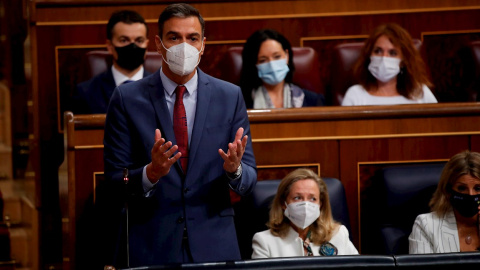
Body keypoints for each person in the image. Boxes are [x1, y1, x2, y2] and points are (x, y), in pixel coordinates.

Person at [103, 3, 257, 267]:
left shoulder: (229, 96)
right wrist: (150, 173)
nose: (183, 45)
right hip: (152, 243)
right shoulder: (127, 99)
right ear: (158, 44)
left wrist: (235, 171)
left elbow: (250, 177)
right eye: (174, 37)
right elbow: (117, 179)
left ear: (203, 45)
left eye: (192, 38)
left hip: (215, 245)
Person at [251, 168, 358, 258]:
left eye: (312, 199)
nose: (306, 205)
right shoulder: (264, 242)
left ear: (320, 204)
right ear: (283, 203)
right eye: (297, 198)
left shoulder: (339, 234)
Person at [72, 10, 150, 114]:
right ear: (110, 46)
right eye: (124, 40)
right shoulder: (86, 92)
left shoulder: (163, 89)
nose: (133, 46)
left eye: (139, 41)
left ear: (147, 44)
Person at [341, 23, 437, 106]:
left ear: (403, 61)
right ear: (369, 55)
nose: (384, 58)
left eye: (392, 53)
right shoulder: (355, 95)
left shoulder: (420, 93)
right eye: (378, 51)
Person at [409, 150, 480, 254]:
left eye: (477, 188)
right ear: (448, 190)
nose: (470, 194)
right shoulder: (426, 225)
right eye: (461, 188)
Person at [239, 29, 325, 109]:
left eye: (277, 57)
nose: (272, 65)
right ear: (254, 64)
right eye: (263, 60)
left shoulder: (313, 101)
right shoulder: (241, 103)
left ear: (287, 56)